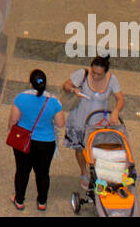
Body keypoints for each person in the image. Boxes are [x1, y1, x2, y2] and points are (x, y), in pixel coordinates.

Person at [62, 56, 125, 188]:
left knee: (98, 149)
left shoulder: (112, 79)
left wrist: (115, 111)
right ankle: (83, 171)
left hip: (99, 121)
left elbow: (120, 99)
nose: (95, 76)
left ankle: (97, 172)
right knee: (79, 148)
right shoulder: (83, 74)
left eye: (99, 74)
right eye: (93, 72)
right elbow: (66, 85)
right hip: (80, 119)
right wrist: (73, 89)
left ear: (105, 72)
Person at [8, 68, 65, 211]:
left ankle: (19, 200)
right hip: (46, 144)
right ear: (45, 84)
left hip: (23, 142)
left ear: (30, 83)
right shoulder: (54, 101)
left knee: (22, 171)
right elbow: (60, 124)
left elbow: (13, 121)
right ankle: (42, 202)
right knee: (43, 173)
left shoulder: (20, 97)